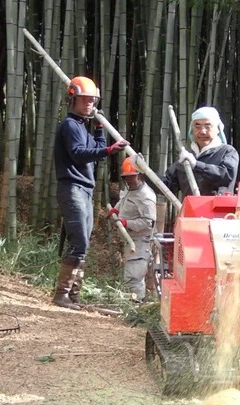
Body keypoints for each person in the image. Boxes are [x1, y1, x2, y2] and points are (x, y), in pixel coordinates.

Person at [52, 76, 128, 309]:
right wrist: (109, 149)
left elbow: (93, 149)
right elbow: (79, 153)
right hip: (72, 187)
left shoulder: (82, 126)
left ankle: (74, 294)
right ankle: (61, 294)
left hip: (84, 189)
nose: (89, 104)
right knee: (80, 242)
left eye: (92, 100)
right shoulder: (69, 126)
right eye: (84, 99)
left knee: (83, 242)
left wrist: (98, 129)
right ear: (73, 98)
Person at [108, 156, 157, 302]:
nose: (129, 180)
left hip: (141, 242)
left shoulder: (146, 196)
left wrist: (126, 223)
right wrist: (116, 210)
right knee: (131, 275)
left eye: (132, 177)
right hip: (130, 240)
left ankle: (136, 306)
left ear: (140, 175)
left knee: (134, 277)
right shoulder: (130, 189)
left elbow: (148, 222)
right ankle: (134, 303)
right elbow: (125, 201)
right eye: (126, 177)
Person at [163, 106, 239, 197]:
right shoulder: (187, 156)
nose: (202, 131)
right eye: (197, 126)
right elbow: (168, 185)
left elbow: (227, 175)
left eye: (208, 126)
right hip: (191, 210)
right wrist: (143, 175)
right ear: (192, 130)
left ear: (218, 129)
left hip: (219, 210)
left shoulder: (227, 151)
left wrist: (197, 165)